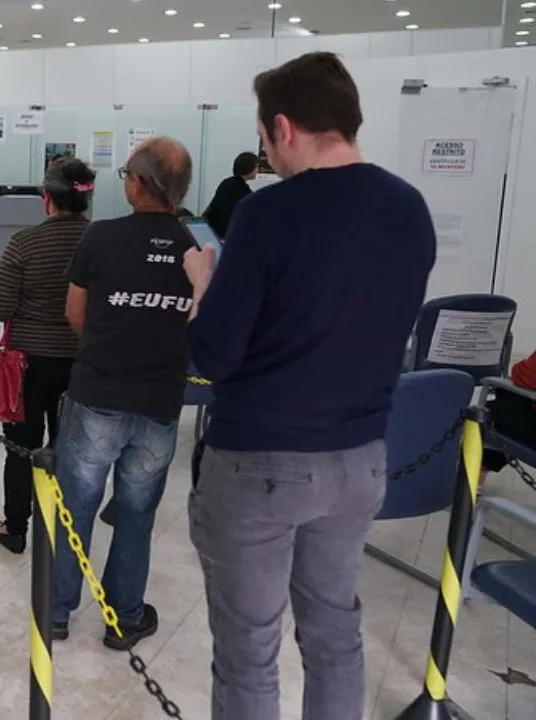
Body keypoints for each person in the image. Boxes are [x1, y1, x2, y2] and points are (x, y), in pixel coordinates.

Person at [185, 52, 436, 720]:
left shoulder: (268, 214)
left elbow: (214, 356)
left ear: (284, 128)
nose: (268, 154)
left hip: (261, 464)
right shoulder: (409, 208)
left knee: (248, 652)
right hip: (360, 459)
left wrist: (203, 287)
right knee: (335, 637)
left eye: (264, 139)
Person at [52, 137, 208, 649]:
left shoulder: (101, 236)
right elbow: (204, 326)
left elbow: (75, 313)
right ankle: (124, 617)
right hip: (159, 401)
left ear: (136, 184)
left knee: (75, 506)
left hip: (98, 391)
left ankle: (55, 611)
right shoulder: (197, 249)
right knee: (137, 514)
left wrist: (106, 348)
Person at [0, 158, 95, 554]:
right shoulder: (101, 241)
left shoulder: (25, 243)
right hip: (82, 363)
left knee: (22, 448)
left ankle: (15, 527)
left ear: (46, 198)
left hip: (28, 364)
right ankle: (68, 530)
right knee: (75, 450)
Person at [202, 151, 259, 238]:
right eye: (256, 167)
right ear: (249, 168)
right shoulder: (243, 191)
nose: (257, 170)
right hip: (225, 235)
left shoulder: (227, 182)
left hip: (211, 230)